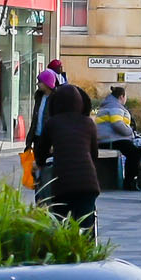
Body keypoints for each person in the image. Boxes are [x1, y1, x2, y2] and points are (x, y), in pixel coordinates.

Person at [31, 82, 101, 229]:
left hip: (63, 183)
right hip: (88, 183)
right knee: (86, 223)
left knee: (61, 221)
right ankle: (86, 247)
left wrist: (39, 162)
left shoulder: (53, 123)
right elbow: (94, 154)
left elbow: (41, 152)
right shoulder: (88, 123)